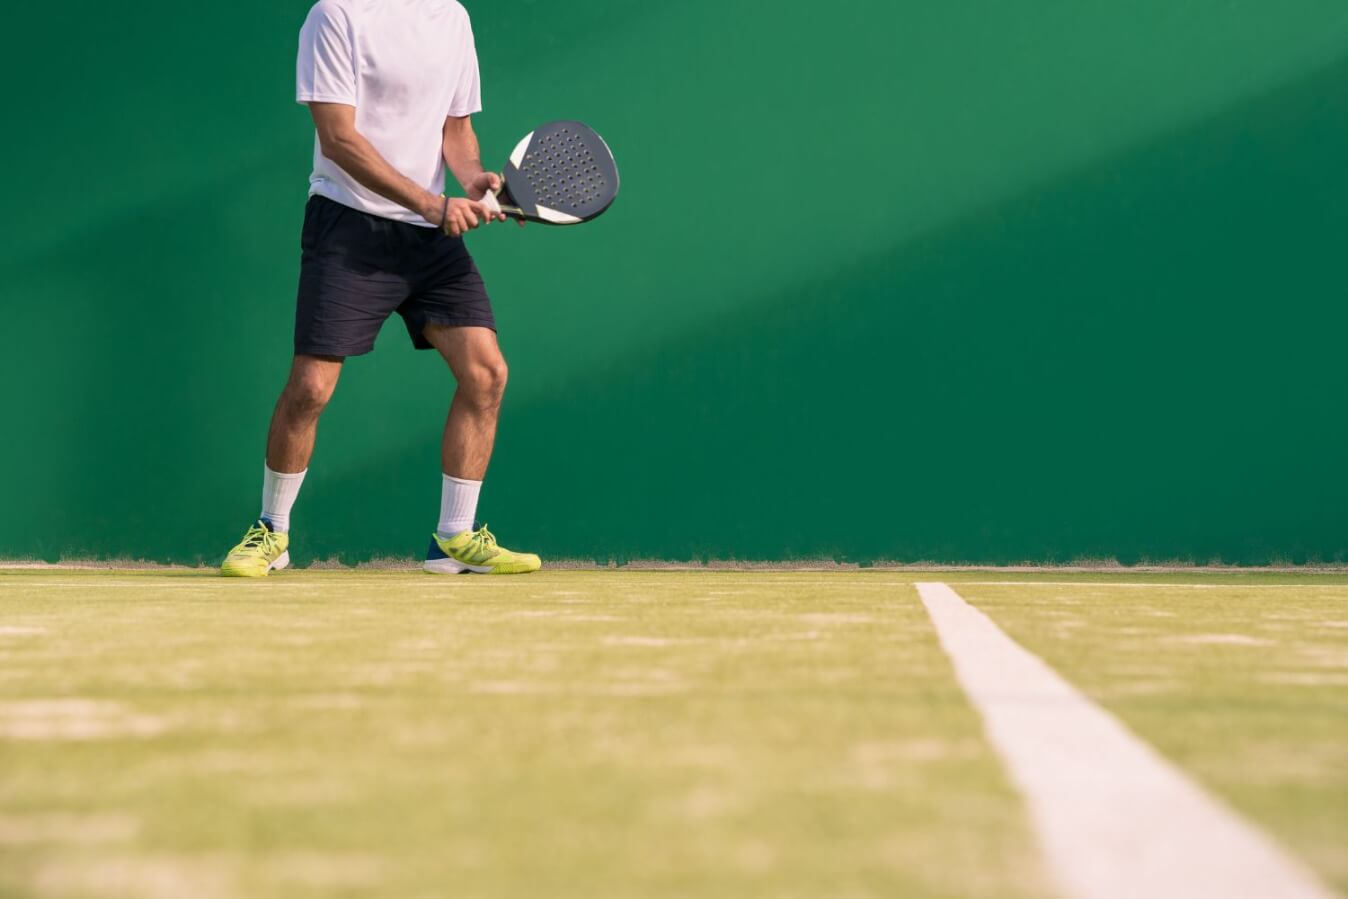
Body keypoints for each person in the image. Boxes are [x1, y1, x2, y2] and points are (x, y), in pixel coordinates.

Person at [220, 0, 539, 577]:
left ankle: (453, 539)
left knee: (486, 373)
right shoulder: (335, 16)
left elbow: (456, 129)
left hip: (430, 238)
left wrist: (473, 179)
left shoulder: (452, 18)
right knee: (311, 388)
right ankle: (272, 532)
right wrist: (431, 202)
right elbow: (339, 139)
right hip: (349, 225)